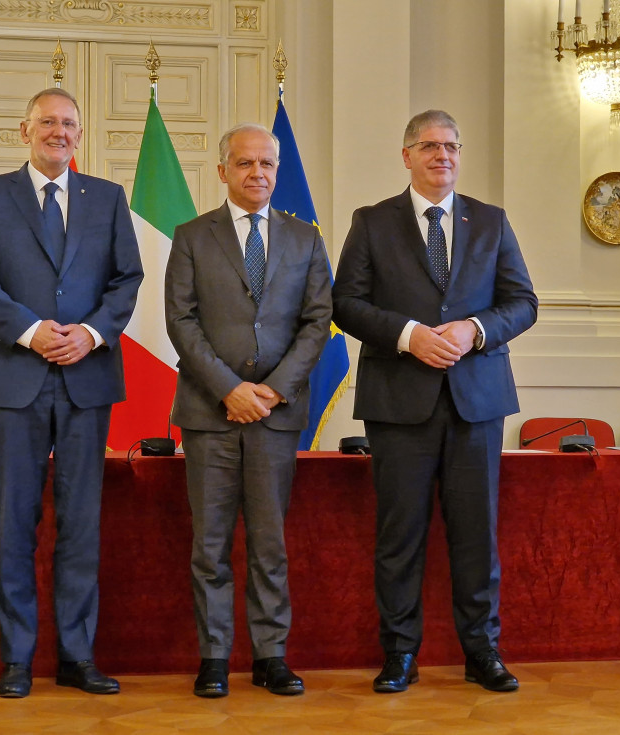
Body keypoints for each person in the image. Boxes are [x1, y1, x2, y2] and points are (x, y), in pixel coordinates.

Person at [332, 109, 537, 694]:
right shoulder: (372, 222)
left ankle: (482, 653)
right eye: (428, 146)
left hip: (477, 401)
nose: (441, 155)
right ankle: (399, 654)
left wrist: (474, 330)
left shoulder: (491, 221)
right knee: (400, 536)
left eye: (450, 146)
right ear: (406, 156)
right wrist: (407, 335)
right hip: (399, 404)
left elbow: (523, 302)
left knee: (477, 534)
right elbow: (345, 302)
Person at [0, 88, 143, 699]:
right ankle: (16, 659)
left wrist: (90, 334)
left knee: (81, 524)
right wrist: (34, 331)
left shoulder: (109, 199)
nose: (58, 132)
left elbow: (127, 279)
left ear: (80, 135)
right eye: (47, 123)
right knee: (16, 522)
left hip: (86, 380)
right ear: (24, 130)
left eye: (68, 124)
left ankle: (76, 656)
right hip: (17, 379)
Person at [164, 123, 332, 698]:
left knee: (269, 543)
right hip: (211, 413)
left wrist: (274, 390)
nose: (256, 173)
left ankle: (270, 655)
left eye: (266, 164)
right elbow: (181, 322)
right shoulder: (191, 235)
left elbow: (317, 324)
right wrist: (229, 389)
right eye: (244, 163)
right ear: (222, 171)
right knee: (210, 545)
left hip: (276, 415)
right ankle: (214, 657)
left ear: (276, 172)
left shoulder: (305, 239)